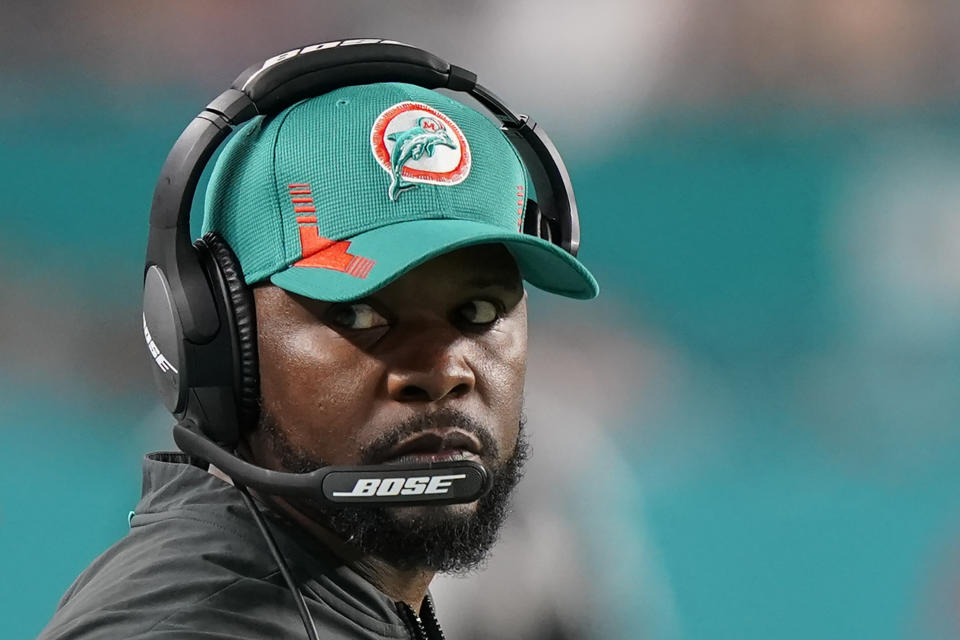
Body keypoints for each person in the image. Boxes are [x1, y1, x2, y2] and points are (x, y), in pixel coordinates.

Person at [39, 47, 598, 639]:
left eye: (479, 312)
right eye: (359, 315)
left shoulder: (350, 606)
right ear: (221, 342)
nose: (443, 370)